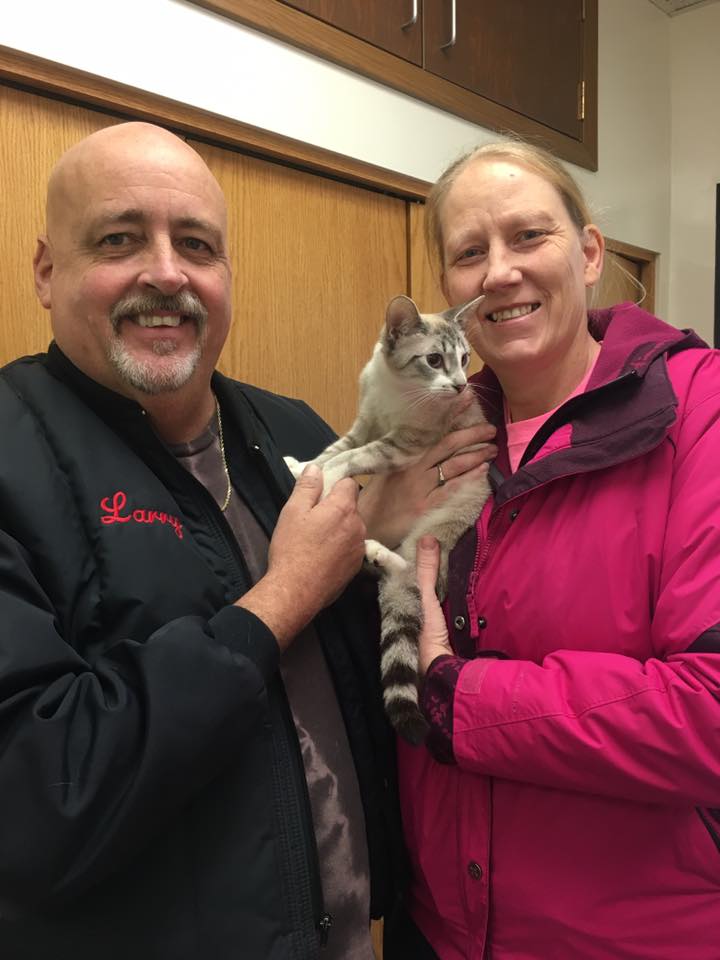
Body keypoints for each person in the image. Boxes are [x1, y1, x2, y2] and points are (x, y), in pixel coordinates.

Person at [0, 122, 495, 959]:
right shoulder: (13, 454)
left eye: (195, 244)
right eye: (120, 239)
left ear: (226, 274)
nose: (166, 272)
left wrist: (369, 549)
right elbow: (39, 801)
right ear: (48, 271)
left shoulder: (290, 427)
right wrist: (282, 593)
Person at [397, 139, 720, 960]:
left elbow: (709, 711)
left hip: (632, 938)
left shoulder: (699, 412)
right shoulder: (428, 435)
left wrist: (456, 700)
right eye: (470, 253)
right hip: (443, 930)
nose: (498, 272)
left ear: (588, 253)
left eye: (528, 237)